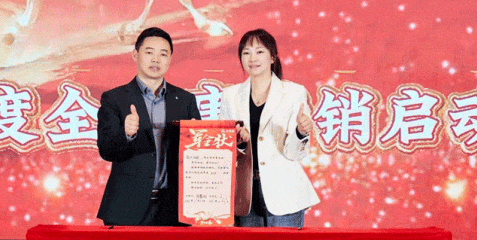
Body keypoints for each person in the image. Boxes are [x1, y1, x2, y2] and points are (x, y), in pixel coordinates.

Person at [97, 27, 201, 226]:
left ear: (170, 59)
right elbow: (106, 150)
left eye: (163, 54)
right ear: (135, 55)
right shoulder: (114, 98)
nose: (156, 60)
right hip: (127, 206)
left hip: (173, 208)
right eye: (149, 52)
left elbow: (197, 155)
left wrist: (199, 139)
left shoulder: (185, 100)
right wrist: (126, 134)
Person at [219, 28, 320, 227]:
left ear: (272, 57)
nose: (252, 58)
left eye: (259, 51)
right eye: (246, 53)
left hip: (285, 193)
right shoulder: (230, 96)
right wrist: (239, 141)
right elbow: (225, 148)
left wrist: (300, 131)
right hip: (245, 194)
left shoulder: (293, 93)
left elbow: (295, 154)